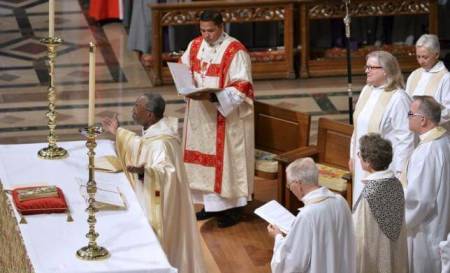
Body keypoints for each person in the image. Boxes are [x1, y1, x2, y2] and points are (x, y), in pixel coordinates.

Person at [102, 93, 206, 273]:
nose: (133, 111)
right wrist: (118, 132)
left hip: (162, 205)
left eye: (136, 107)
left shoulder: (162, 143)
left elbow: (166, 172)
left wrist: (145, 171)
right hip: (155, 196)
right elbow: (141, 145)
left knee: (158, 243)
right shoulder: (158, 132)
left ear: (150, 115)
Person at [179, 10, 254, 228]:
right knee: (202, 164)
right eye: (202, 30)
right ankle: (210, 205)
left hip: (225, 116)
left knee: (226, 163)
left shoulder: (235, 50)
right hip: (200, 115)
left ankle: (232, 208)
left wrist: (214, 95)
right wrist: (186, 85)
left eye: (210, 30)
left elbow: (242, 86)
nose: (206, 35)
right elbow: (182, 68)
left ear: (221, 27)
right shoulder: (194, 45)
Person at [349, 50, 415, 205]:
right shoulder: (367, 90)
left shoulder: (398, 98)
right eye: (366, 67)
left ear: (386, 71)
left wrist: (400, 172)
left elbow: (406, 138)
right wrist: (352, 154)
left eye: (371, 67)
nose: (366, 70)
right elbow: (357, 127)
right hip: (362, 163)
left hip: (385, 168)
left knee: (380, 210)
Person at [268, 157, 356, 273]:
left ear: (298, 184)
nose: (290, 189)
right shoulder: (340, 201)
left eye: (289, 185)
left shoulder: (307, 215)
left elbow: (292, 263)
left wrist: (278, 237)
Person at [404, 96, 450, 273]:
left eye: (410, 113)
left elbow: (420, 200)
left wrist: (398, 219)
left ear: (422, 120)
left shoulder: (427, 152)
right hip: (441, 222)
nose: (407, 116)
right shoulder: (444, 141)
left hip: (424, 230)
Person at [353, 133, 408, 273]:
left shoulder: (370, 193)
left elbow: (358, 233)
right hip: (393, 251)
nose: (358, 157)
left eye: (360, 154)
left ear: (368, 162)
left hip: (373, 259)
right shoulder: (395, 183)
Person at [406, 34, 450, 130]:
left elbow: (448, 110)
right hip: (415, 130)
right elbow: (407, 103)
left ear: (436, 55)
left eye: (425, 57)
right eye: (418, 57)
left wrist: (427, 121)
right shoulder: (414, 75)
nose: (421, 61)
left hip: (436, 131)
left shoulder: (446, 77)